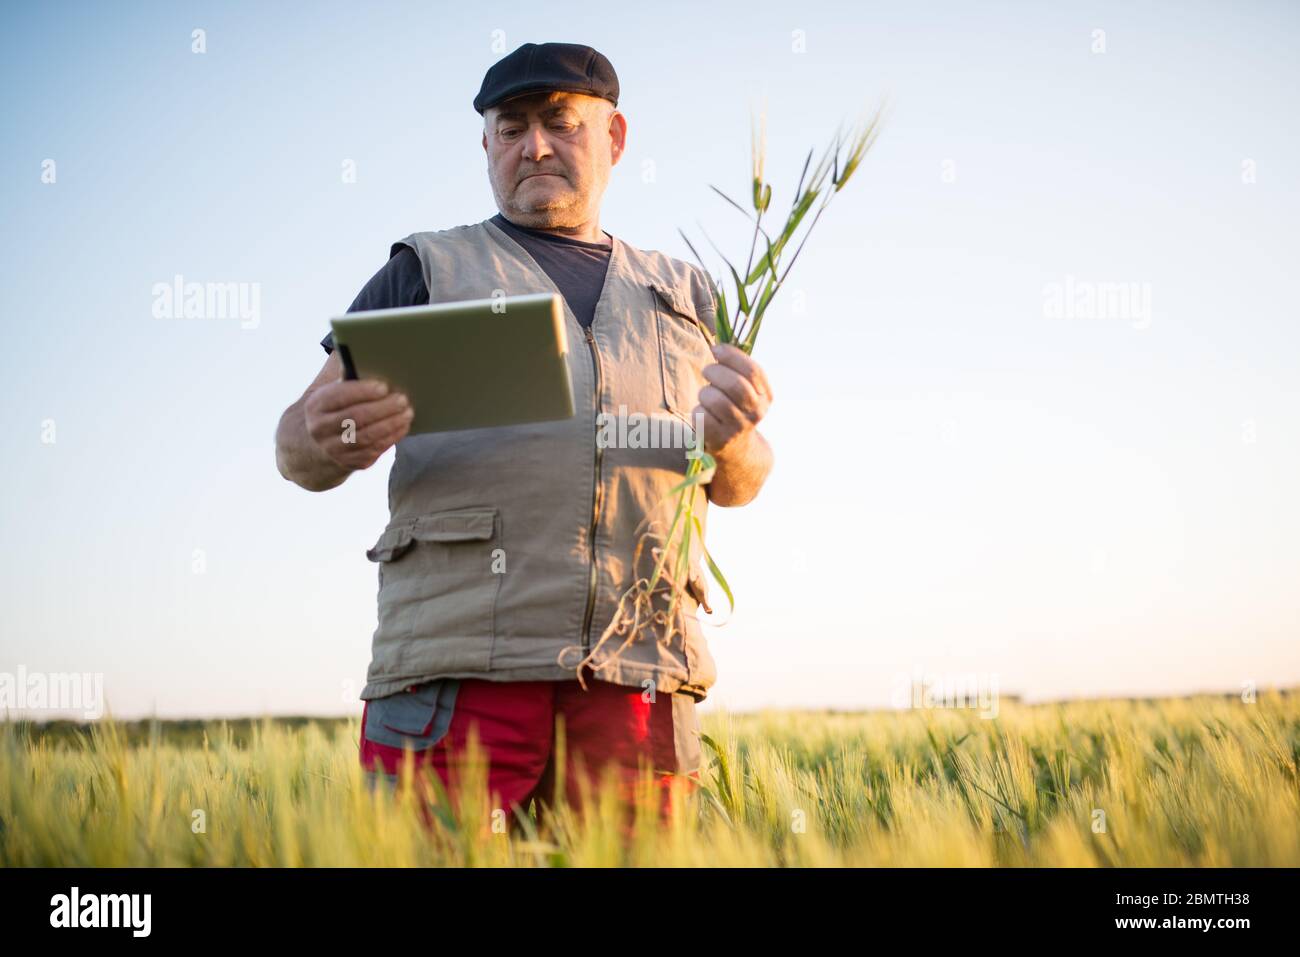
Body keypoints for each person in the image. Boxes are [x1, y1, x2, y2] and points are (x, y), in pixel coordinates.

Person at [273, 42, 775, 836]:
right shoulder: (425, 271)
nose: (533, 145)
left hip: (637, 674)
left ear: (614, 139)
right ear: (486, 147)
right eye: (510, 129)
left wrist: (736, 438)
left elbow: (740, 479)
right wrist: (326, 436)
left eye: (560, 123)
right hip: (454, 674)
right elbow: (295, 449)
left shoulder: (687, 293)